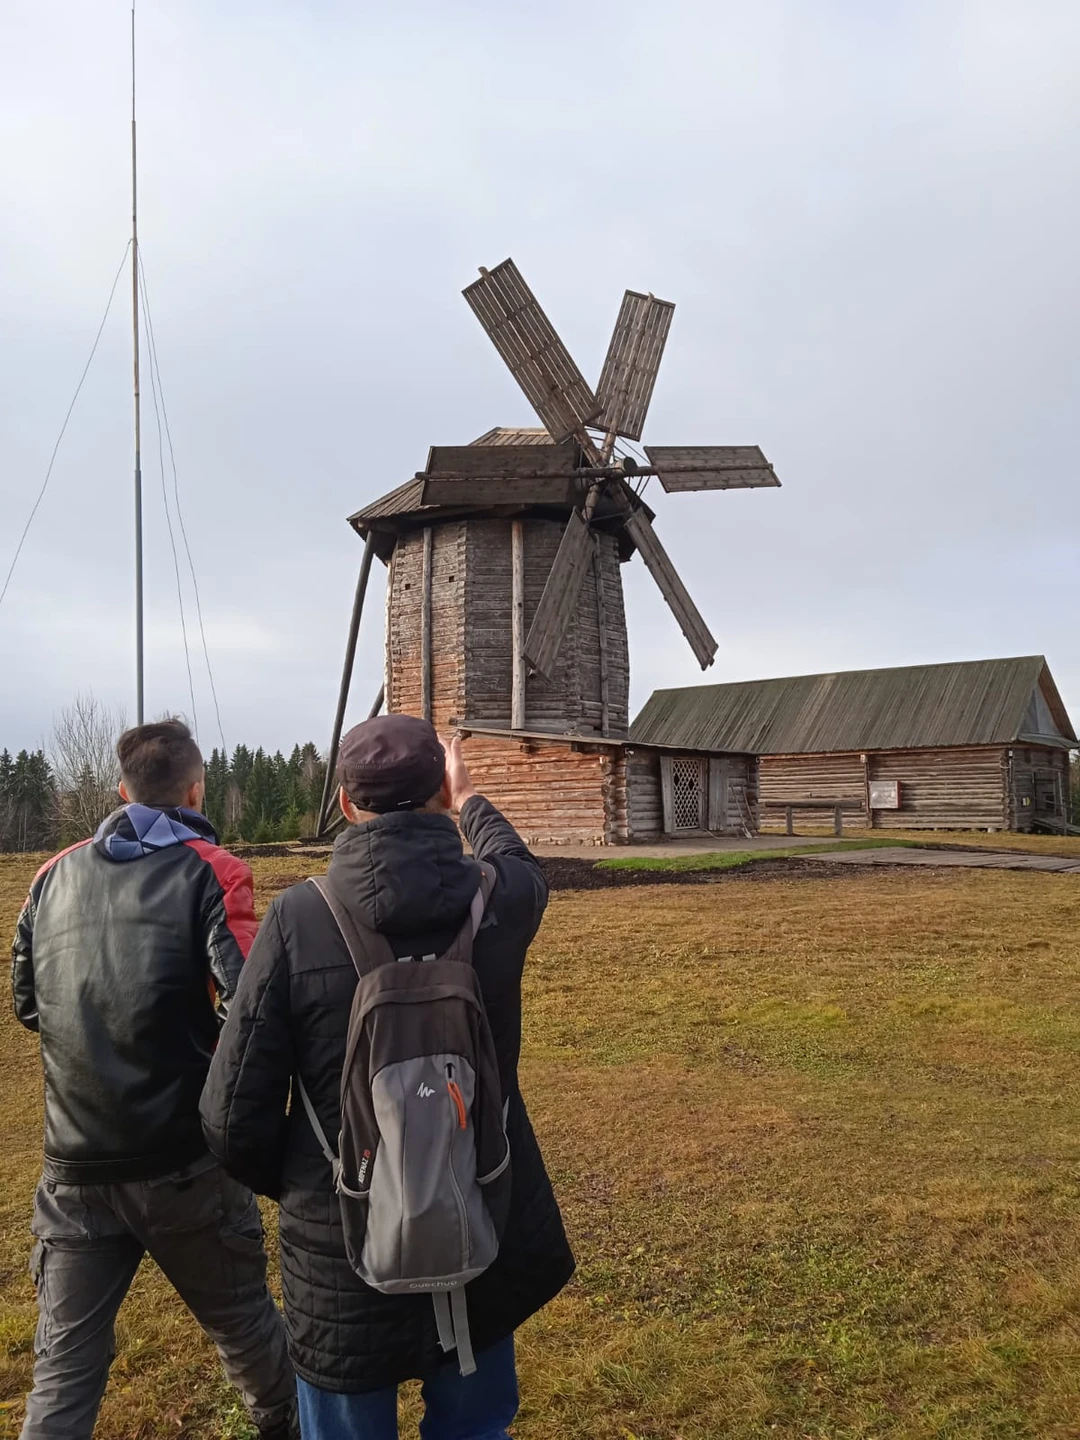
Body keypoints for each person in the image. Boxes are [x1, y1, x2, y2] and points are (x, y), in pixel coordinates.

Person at [200, 716, 575, 1440]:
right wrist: (469, 800)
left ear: (345, 803)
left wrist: (319, 1179)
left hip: (342, 1250)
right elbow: (521, 863)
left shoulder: (297, 920)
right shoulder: (500, 898)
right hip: (479, 1219)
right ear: (440, 787)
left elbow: (228, 1116)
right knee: (474, 1423)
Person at [11, 718, 297, 1440]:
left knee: (64, 1371)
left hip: (74, 1165)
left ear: (120, 788)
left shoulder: (48, 877)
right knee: (247, 1333)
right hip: (182, 1165)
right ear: (196, 788)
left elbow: (25, 1004)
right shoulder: (215, 870)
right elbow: (249, 1007)